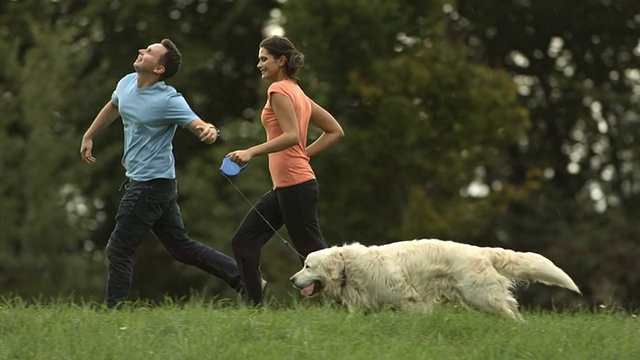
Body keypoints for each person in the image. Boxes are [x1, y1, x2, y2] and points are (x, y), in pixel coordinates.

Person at [80, 38, 244, 308]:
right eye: (144, 48)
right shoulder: (126, 83)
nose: (141, 51)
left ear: (159, 69)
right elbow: (114, 105)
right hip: (155, 184)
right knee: (181, 247)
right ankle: (245, 279)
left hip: (150, 186)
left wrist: (208, 130)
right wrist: (89, 135)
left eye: (149, 52)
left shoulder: (168, 99)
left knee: (118, 249)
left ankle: (113, 314)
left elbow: (198, 123)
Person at [227, 35, 345, 306]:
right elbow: (334, 131)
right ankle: (254, 308)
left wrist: (251, 152)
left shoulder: (279, 91)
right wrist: (305, 155)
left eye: (263, 59)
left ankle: (351, 302)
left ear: (281, 61)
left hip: (296, 185)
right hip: (287, 186)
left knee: (315, 256)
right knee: (244, 241)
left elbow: (292, 135)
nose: (259, 64)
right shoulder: (298, 93)